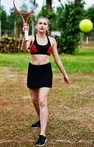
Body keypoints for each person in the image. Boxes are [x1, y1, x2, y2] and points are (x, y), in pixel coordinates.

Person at [21, 17, 70, 146]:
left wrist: (64, 74)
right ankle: (40, 118)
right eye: (40, 23)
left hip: (45, 72)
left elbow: (57, 59)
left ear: (48, 27)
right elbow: (23, 48)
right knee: (34, 100)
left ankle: (42, 135)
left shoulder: (52, 40)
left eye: (45, 24)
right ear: (37, 26)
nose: (42, 25)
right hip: (33, 71)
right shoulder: (31, 38)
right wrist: (24, 34)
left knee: (42, 101)